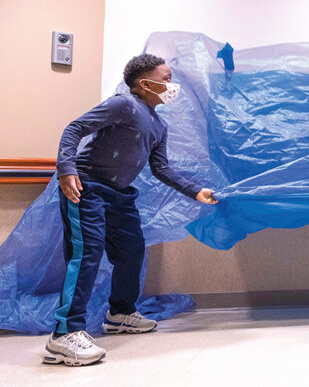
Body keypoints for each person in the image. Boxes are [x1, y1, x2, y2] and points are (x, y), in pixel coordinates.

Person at [43, 54, 217, 366]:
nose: (171, 86)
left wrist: (195, 191)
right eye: (165, 80)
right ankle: (63, 335)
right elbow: (75, 128)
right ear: (143, 83)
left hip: (120, 194)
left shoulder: (159, 125)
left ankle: (120, 313)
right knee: (88, 253)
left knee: (132, 250)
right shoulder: (122, 104)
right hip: (88, 187)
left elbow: (162, 169)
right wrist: (67, 169)